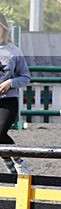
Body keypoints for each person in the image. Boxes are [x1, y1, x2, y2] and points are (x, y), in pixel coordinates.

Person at [0, 12, 30, 174]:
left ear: (4, 29)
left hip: (7, 101)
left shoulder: (14, 51)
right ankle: (12, 168)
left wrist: (10, 82)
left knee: (0, 132)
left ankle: (18, 161)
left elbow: (26, 77)